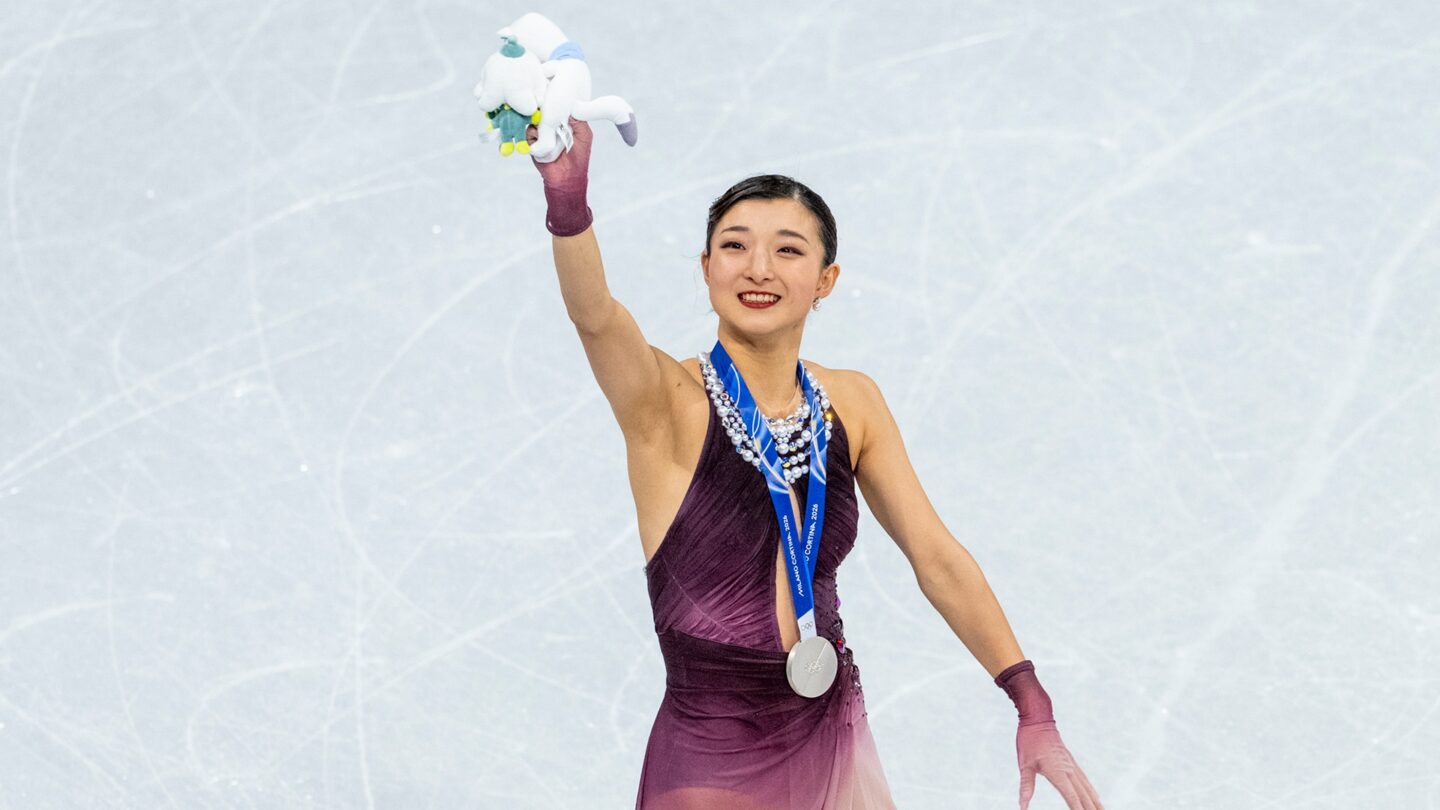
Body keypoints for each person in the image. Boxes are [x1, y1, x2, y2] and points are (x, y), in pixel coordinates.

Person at [525, 117, 1105, 810]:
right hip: (713, 752)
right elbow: (596, 316)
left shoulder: (851, 404)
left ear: (826, 279)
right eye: (734, 247)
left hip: (832, 727)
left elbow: (936, 556)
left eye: (788, 250)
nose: (759, 268)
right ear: (706, 269)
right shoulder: (668, 403)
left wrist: (1028, 698)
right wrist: (567, 203)